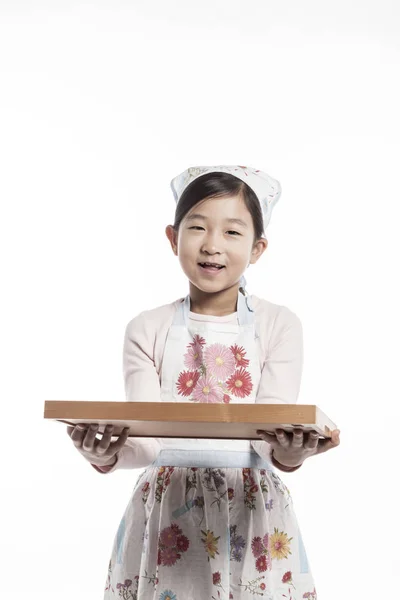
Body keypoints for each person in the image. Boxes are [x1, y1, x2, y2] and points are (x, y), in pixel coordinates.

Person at [67, 165, 340, 600]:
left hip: (250, 507)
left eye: (233, 232)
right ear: (174, 238)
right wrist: (104, 453)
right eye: (197, 227)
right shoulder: (147, 328)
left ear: (258, 248)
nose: (212, 245)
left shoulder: (279, 325)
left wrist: (291, 453)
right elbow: (148, 440)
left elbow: (270, 436)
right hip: (165, 508)